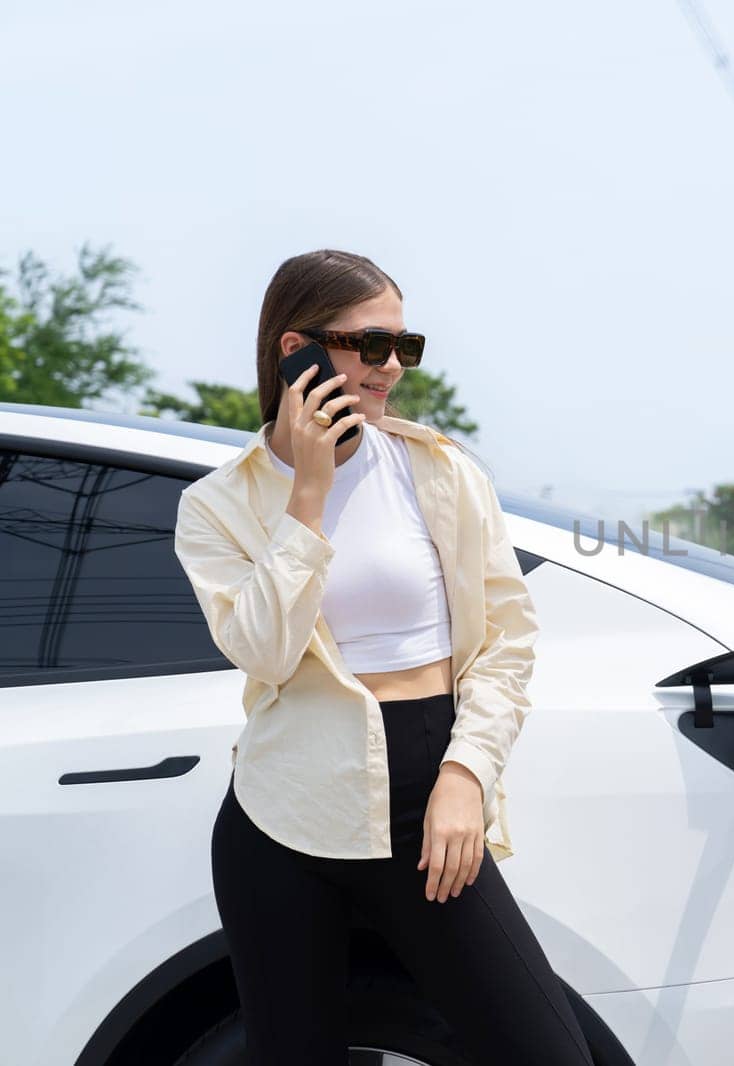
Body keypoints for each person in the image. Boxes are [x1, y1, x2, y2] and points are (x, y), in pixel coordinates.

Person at [173, 249, 596, 1066]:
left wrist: (467, 776)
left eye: (407, 346)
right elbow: (263, 649)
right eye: (372, 345)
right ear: (297, 348)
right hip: (281, 818)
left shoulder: (439, 471)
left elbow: (507, 641)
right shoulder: (216, 506)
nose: (393, 367)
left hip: (427, 803)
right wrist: (309, 494)